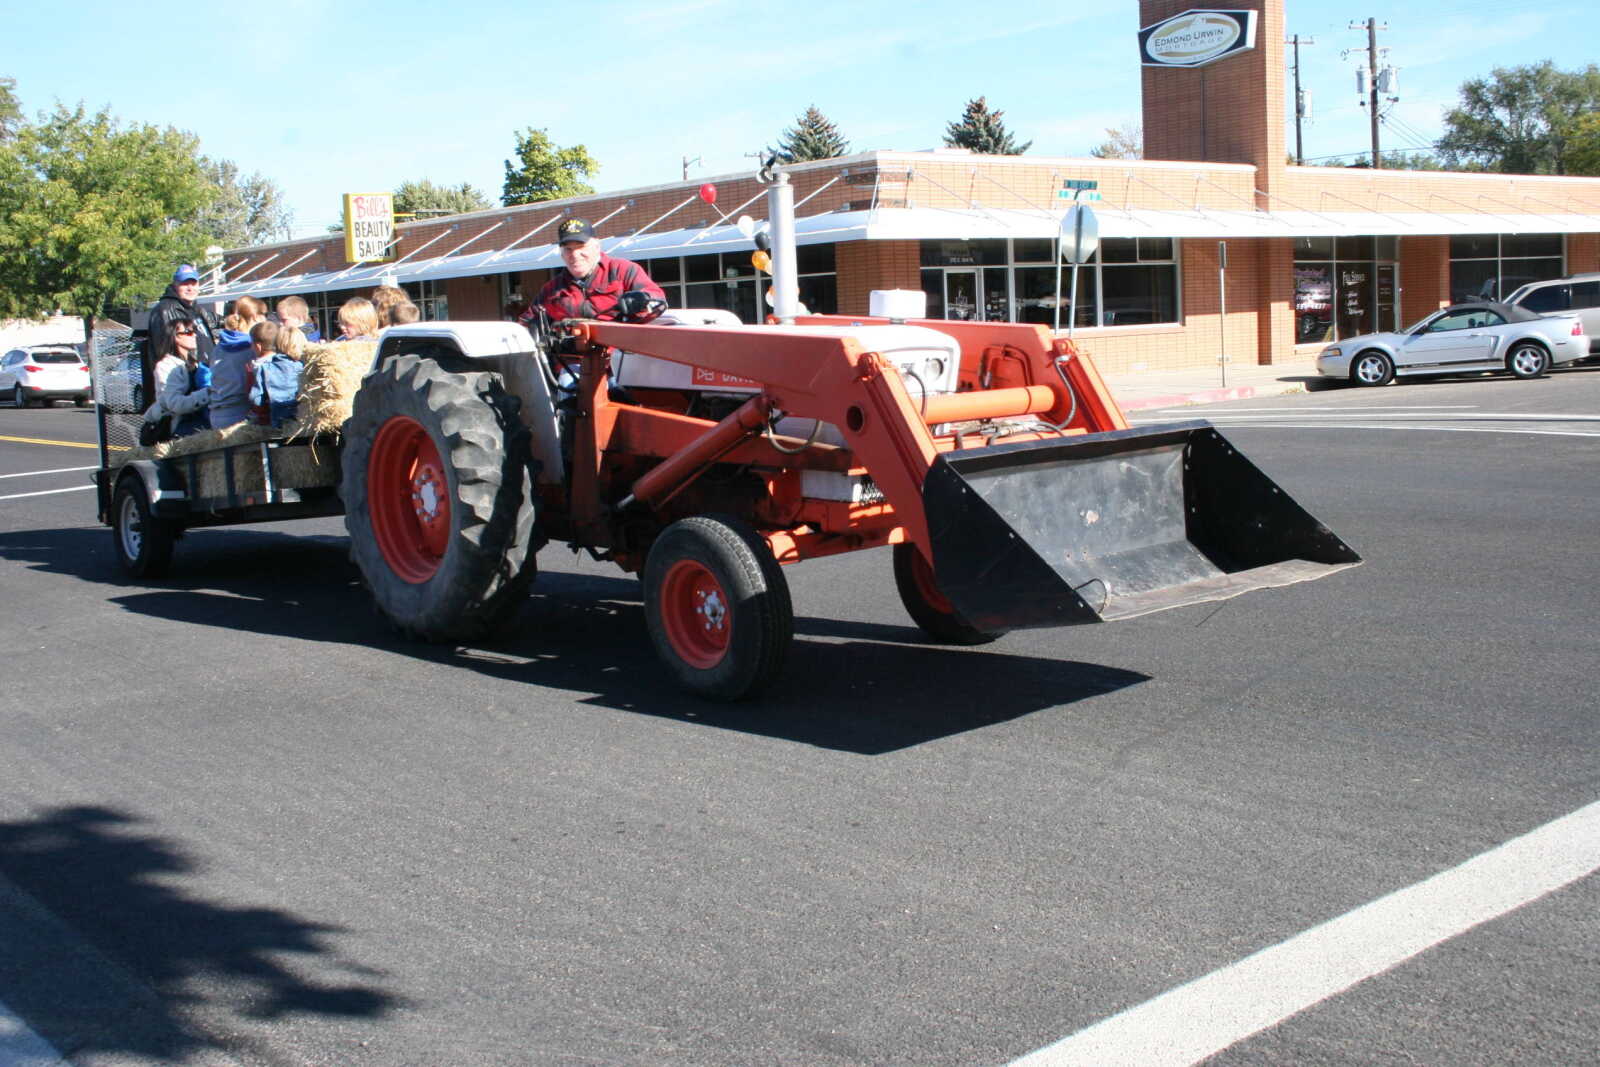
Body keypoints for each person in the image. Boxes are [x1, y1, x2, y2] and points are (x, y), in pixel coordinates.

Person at [524, 218, 665, 325]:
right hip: (568, 355)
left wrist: (642, 299)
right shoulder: (551, 290)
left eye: (581, 246)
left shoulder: (623, 270)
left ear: (597, 246)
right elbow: (526, 323)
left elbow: (658, 300)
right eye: (568, 249)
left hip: (620, 352)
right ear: (561, 253)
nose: (574, 254)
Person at [141, 318, 211, 440]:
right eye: (189, 332)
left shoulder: (194, 363)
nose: (195, 335)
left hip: (196, 422)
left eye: (195, 331)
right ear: (175, 337)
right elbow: (175, 404)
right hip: (178, 428)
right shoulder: (166, 366)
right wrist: (208, 393)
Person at [208, 296, 269, 428]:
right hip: (241, 412)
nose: (266, 319)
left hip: (216, 413)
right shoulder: (252, 347)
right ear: (255, 317)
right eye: (265, 315)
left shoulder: (219, 347)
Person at [148, 264, 220, 365]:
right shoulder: (164, 310)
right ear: (175, 285)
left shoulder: (195, 309)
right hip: (186, 372)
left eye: (193, 284)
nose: (190, 288)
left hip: (207, 370)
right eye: (185, 284)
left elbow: (213, 319)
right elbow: (165, 350)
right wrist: (189, 370)